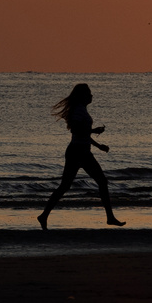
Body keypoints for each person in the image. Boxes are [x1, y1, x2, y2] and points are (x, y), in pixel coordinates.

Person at [37, 83, 125, 229]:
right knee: (97, 182)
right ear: (83, 96)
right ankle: (109, 217)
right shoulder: (79, 110)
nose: (92, 96)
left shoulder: (81, 109)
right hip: (78, 152)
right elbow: (77, 131)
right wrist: (93, 130)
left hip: (81, 151)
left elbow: (82, 133)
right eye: (89, 93)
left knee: (70, 185)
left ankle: (44, 215)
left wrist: (98, 146)